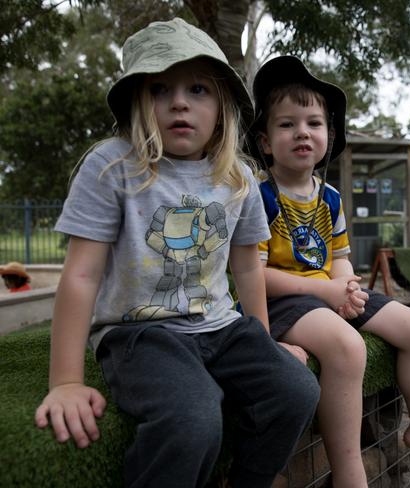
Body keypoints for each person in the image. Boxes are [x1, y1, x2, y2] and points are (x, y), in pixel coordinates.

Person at [33, 19, 319, 488]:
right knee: (193, 415)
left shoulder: (239, 178)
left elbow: (248, 267)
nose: (180, 101)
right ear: (137, 101)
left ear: (223, 104)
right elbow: (81, 275)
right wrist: (65, 380)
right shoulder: (112, 166)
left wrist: (265, 342)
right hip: (139, 334)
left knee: (295, 390)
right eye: (160, 88)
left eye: (199, 89)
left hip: (223, 329)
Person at [247, 55, 410, 487]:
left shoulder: (328, 197)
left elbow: (340, 255)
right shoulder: (260, 198)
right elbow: (254, 276)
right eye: (287, 124)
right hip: (281, 302)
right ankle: (350, 472)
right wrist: (327, 293)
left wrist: (344, 285)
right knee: (349, 348)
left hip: (325, 293)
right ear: (266, 141)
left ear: (329, 135)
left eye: (314, 122)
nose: (302, 132)